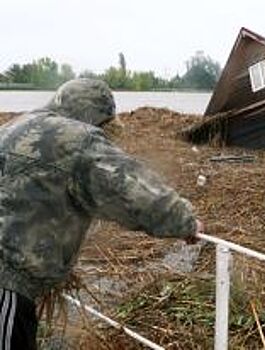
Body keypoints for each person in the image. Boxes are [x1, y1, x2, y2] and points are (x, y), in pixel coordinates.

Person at [0, 79, 203, 349]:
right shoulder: (78, 138)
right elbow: (131, 191)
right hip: (6, 285)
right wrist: (186, 221)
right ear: (98, 116)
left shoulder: (13, 127)